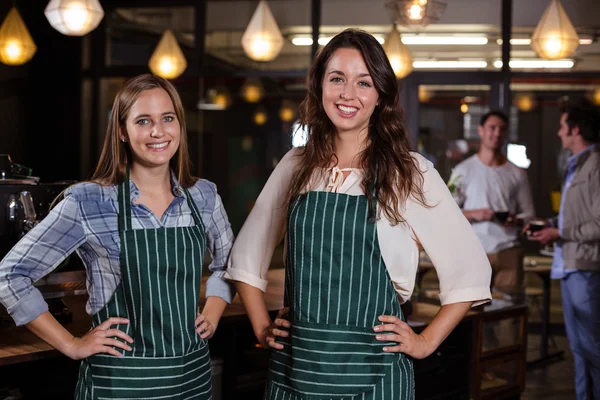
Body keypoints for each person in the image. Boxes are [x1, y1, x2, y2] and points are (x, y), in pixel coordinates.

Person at [226, 29, 491, 399]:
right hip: (295, 370)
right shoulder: (296, 165)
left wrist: (425, 341)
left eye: (363, 82)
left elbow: (470, 269)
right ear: (320, 86)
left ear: (380, 95)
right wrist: (261, 327)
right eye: (337, 79)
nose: (348, 94)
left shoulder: (408, 172)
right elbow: (246, 255)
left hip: (376, 375)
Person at [0, 74, 235, 399]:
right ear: (122, 131)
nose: (158, 131)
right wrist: (72, 344)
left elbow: (229, 264)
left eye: (168, 118)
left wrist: (213, 311)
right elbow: (10, 275)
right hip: (120, 382)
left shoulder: (202, 196)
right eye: (143, 121)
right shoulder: (89, 201)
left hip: (191, 378)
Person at [527, 98, 600, 400]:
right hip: (570, 266)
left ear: (576, 128)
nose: (559, 133)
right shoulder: (576, 166)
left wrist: (560, 231)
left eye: (562, 126)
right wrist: (549, 223)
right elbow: (579, 216)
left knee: (593, 348)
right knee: (579, 348)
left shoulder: (596, 166)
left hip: (586, 268)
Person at [449, 111, 535, 299]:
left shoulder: (517, 172)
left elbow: (529, 213)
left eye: (502, 129)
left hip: (508, 249)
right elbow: (447, 213)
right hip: (474, 250)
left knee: (508, 316)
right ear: (480, 130)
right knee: (472, 311)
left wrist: (517, 219)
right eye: (492, 128)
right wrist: (474, 214)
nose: (497, 133)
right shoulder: (463, 170)